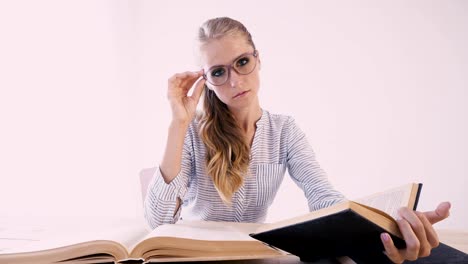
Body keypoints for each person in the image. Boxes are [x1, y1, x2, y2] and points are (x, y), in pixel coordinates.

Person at [144, 17, 451, 263]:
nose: (235, 80)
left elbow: (322, 197)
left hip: (253, 257)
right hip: (195, 258)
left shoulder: (284, 130)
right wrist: (178, 123)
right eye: (219, 72)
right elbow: (157, 219)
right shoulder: (191, 132)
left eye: (241, 63)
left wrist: (382, 225)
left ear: (257, 59)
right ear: (207, 82)